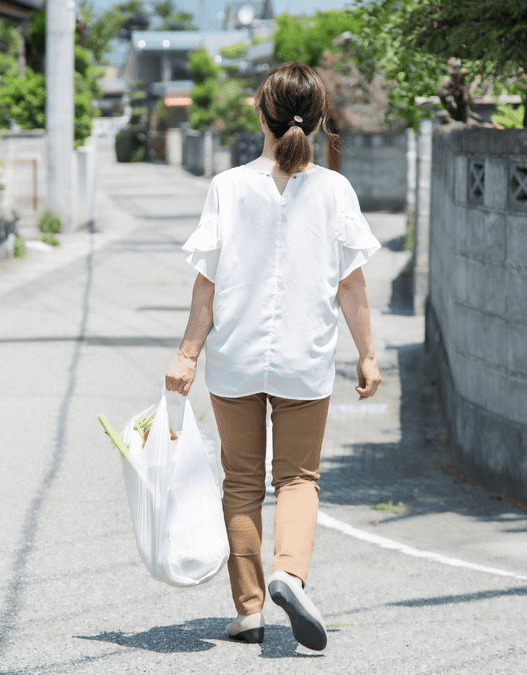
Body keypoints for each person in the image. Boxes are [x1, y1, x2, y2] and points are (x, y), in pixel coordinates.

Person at [164, 62, 381, 651]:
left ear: (262, 114)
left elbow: (207, 282)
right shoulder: (334, 190)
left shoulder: (228, 187)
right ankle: (290, 574)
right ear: (319, 119)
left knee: (240, 483)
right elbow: (352, 284)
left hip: (234, 357)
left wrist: (187, 355)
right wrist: (367, 354)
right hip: (305, 360)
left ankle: (250, 610)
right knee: (298, 479)